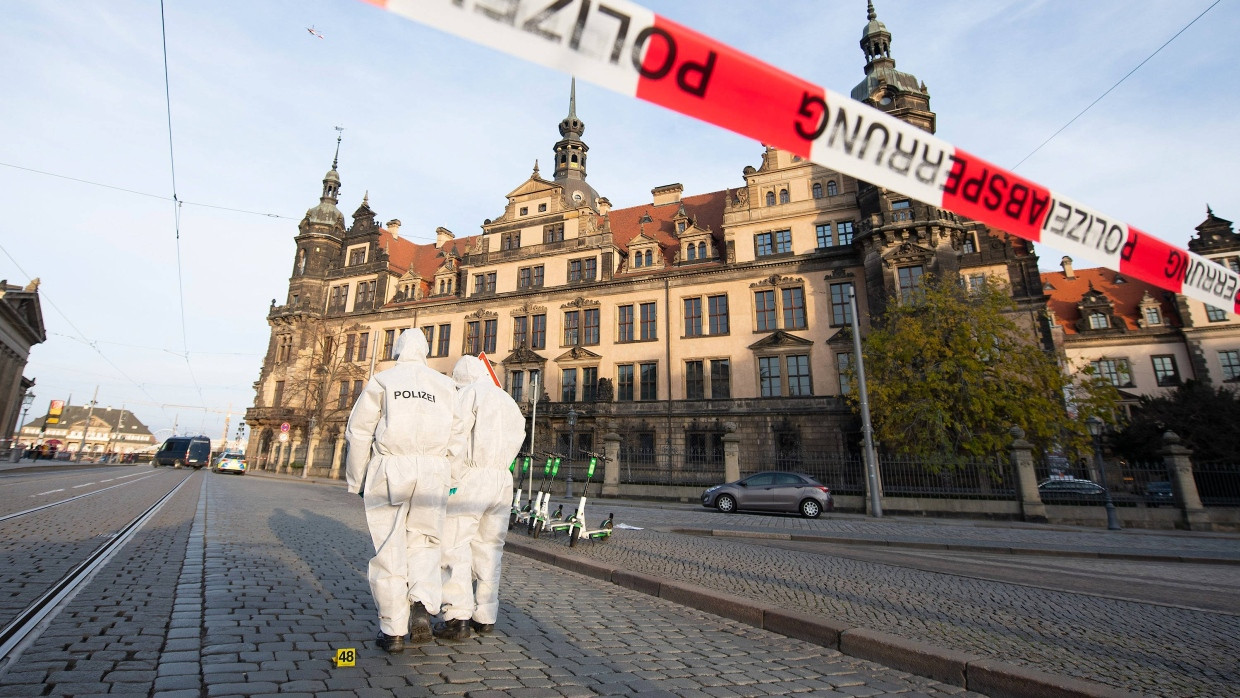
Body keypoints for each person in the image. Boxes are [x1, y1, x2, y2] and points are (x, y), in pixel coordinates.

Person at [345, 329, 466, 654]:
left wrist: (357, 479)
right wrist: (451, 476)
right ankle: (422, 606)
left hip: (392, 468)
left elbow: (359, 432)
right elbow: (458, 435)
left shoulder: (385, 380)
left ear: (398, 350)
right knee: (426, 542)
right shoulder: (444, 385)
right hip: (432, 471)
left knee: (390, 546)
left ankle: (393, 629)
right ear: (426, 352)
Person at [434, 355, 526, 640]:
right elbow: (520, 433)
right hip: (501, 479)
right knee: (490, 549)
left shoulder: (469, 395)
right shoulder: (507, 400)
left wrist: (450, 477)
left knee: (455, 545)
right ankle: (485, 615)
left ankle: (457, 616)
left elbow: (456, 438)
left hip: (472, 477)